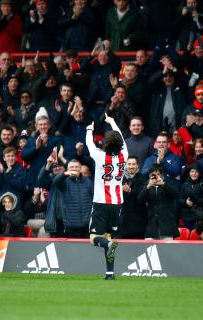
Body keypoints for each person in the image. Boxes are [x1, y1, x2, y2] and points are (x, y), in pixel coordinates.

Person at [86, 113, 128, 280]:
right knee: (108, 236)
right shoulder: (125, 154)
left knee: (95, 238)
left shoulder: (100, 156)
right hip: (117, 203)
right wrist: (112, 121)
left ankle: (109, 246)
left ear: (105, 144)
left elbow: (89, 143)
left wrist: (89, 129)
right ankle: (109, 273)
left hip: (101, 203)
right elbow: (122, 139)